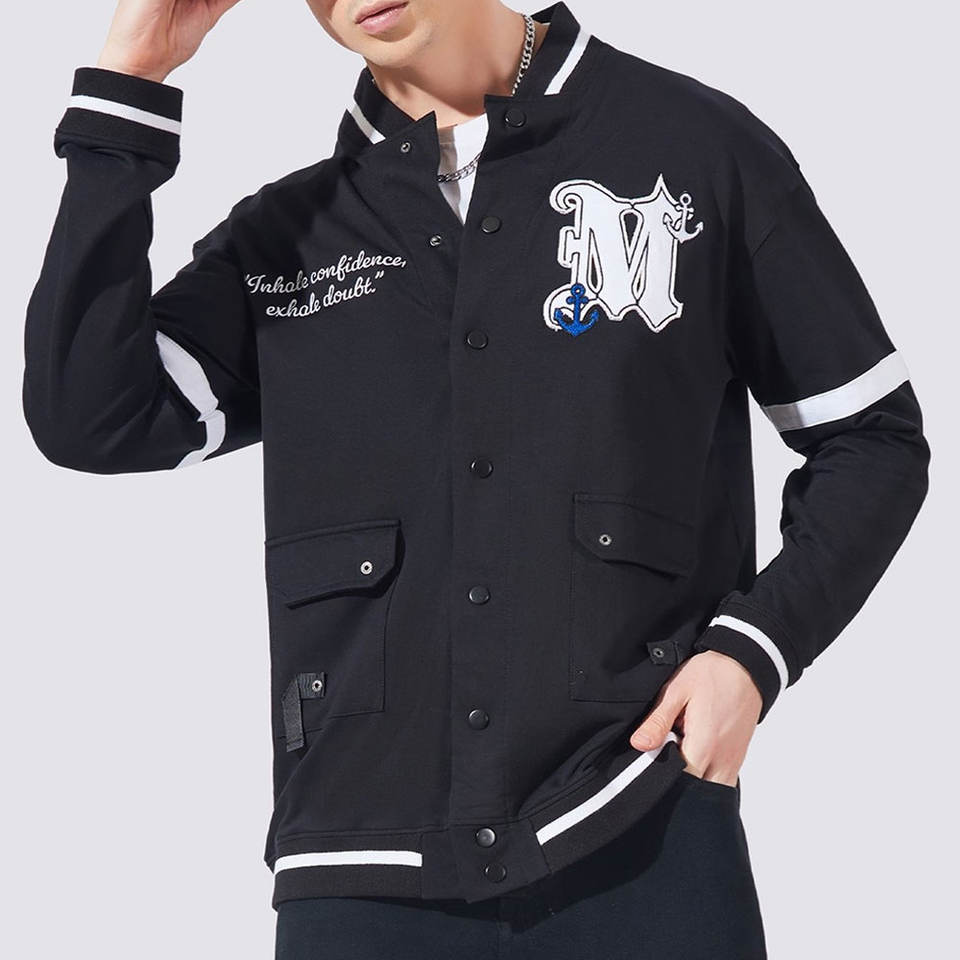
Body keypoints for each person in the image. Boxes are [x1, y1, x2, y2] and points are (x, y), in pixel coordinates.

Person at [21, 1, 930, 958]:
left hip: (639, 822)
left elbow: (871, 439)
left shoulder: (695, 149)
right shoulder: (291, 236)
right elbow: (90, 415)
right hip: (358, 872)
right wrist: (132, 77)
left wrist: (752, 654)